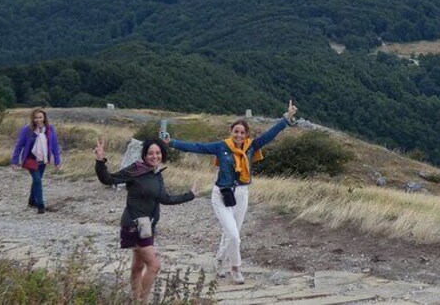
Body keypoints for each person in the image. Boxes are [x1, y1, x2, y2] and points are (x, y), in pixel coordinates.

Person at [162, 100, 298, 284]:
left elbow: (270, 135)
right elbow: (197, 147)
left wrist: (286, 118)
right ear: (231, 132)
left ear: (246, 134)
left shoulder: (251, 147)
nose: (239, 135)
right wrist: (172, 143)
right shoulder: (221, 147)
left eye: (242, 132)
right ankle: (235, 269)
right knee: (234, 234)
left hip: (242, 193)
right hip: (221, 194)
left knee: (231, 233)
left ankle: (219, 260)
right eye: (236, 132)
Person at [94, 137, 197, 301]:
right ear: (144, 155)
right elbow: (108, 179)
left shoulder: (156, 174)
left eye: (157, 153)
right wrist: (100, 161)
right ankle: (142, 301)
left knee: (138, 266)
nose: (154, 156)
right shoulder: (135, 169)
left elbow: (165, 198)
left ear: (162, 154)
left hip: (147, 225)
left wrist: (189, 195)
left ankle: (135, 300)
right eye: (150, 153)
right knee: (154, 266)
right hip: (134, 223)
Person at [10, 108, 61, 214]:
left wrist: (57, 160)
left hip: (43, 159)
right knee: (37, 180)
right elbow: (19, 145)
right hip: (30, 159)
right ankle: (40, 205)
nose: (38, 120)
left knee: (37, 180)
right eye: (36, 118)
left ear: (44, 118)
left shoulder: (49, 129)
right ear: (32, 119)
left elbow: (55, 145)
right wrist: (14, 161)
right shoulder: (27, 130)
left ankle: (31, 200)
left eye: (40, 117)